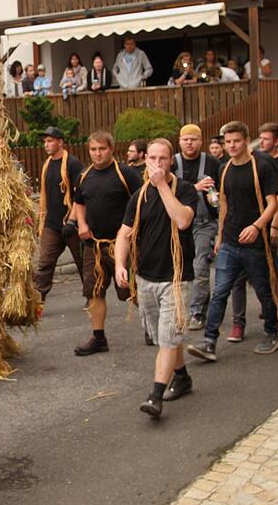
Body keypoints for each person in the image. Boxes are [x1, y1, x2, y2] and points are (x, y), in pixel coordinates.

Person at [115, 138, 198, 418]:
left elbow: (183, 220)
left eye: (162, 159)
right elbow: (124, 234)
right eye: (152, 158)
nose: (157, 164)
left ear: (170, 160)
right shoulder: (138, 196)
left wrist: (162, 185)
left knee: (166, 341)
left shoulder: (185, 190)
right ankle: (183, 377)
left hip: (175, 278)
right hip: (146, 278)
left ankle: (155, 396)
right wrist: (119, 265)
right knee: (166, 337)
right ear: (145, 159)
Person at [188, 121, 278, 362]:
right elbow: (224, 204)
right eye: (227, 142)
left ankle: (272, 333)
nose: (231, 146)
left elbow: (273, 203)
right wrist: (219, 235)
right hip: (229, 241)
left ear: (246, 140)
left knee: (263, 291)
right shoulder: (224, 168)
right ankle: (209, 342)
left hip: (255, 243)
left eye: (236, 141)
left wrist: (257, 226)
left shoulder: (261, 166)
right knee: (219, 292)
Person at [229, 123, 278, 339]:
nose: (262, 142)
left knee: (273, 270)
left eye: (267, 138)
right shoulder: (255, 160)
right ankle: (256, 313)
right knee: (244, 274)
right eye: (260, 138)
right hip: (253, 223)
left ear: (277, 141)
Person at [73, 130, 143, 355]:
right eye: (93, 149)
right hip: (93, 245)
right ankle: (98, 337)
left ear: (111, 149)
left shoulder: (126, 174)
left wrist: (135, 231)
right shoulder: (84, 176)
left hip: (122, 245)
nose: (97, 153)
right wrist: (81, 224)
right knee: (93, 291)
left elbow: (142, 202)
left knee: (131, 291)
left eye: (102, 149)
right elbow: (79, 202)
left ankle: (154, 325)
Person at [172, 124, 220, 331]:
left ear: (201, 141)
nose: (189, 143)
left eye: (193, 139)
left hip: (204, 222)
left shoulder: (212, 162)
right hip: (179, 223)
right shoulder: (172, 162)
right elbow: (166, 190)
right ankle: (176, 310)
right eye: (185, 139)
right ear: (179, 141)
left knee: (200, 267)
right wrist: (194, 188)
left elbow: (221, 193)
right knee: (179, 269)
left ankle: (197, 311)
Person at [34, 126, 86, 305]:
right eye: (45, 142)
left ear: (60, 142)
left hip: (73, 223)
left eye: (50, 141)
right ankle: (37, 302)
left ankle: (93, 298)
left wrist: (72, 221)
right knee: (44, 263)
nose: (46, 145)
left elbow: (80, 195)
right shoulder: (47, 165)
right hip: (52, 224)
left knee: (83, 264)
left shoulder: (73, 164)